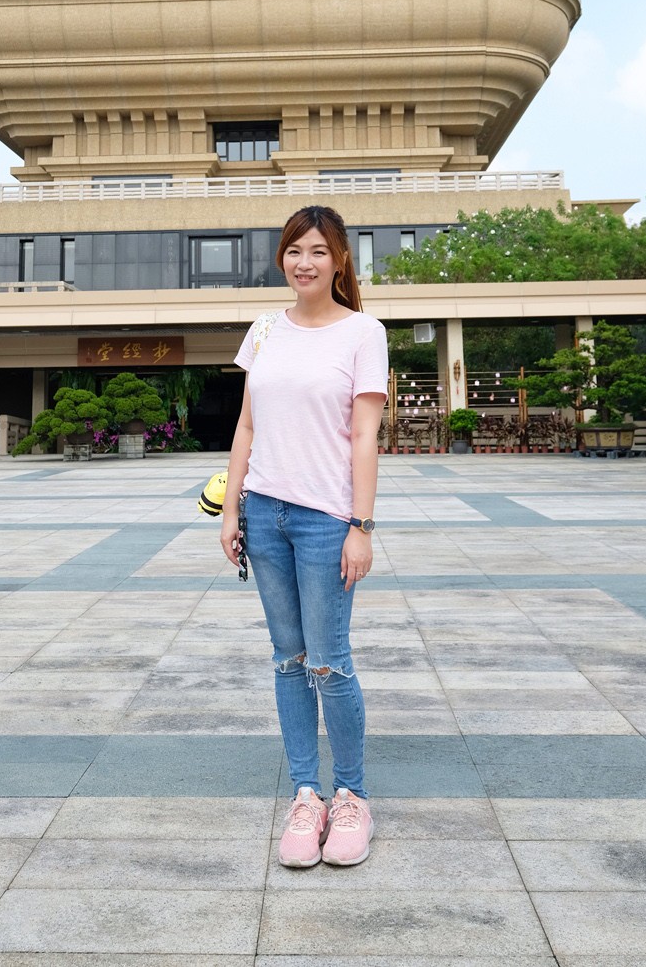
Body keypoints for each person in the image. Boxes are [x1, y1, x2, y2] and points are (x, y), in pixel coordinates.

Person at [220, 205, 388, 868]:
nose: (304, 262)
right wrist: (232, 510)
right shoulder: (264, 329)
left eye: (318, 250)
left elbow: (367, 436)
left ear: (340, 260)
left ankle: (352, 794)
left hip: (326, 520)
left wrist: (361, 526)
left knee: (329, 661)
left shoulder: (362, 333)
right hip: (265, 514)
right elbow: (246, 428)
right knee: (287, 660)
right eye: (294, 250)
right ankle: (307, 792)